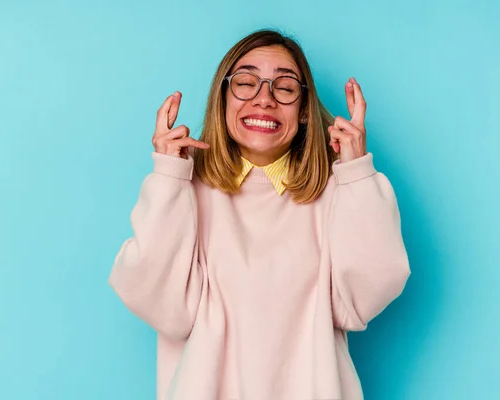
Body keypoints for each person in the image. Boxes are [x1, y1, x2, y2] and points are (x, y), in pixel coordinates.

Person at [108, 29, 410, 400]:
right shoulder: (184, 186)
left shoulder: (339, 189)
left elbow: (366, 294)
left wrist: (357, 171)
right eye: (247, 82)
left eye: (283, 87)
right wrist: (168, 177)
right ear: (222, 101)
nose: (263, 99)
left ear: (303, 111)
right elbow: (160, 305)